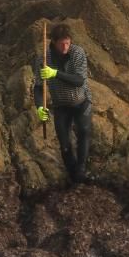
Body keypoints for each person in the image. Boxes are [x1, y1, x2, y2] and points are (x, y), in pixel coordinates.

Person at [33, 23, 92, 184]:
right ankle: (73, 174)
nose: (66, 46)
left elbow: (79, 81)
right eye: (62, 44)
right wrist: (39, 107)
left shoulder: (77, 53)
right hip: (61, 105)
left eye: (68, 42)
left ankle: (81, 169)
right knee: (64, 143)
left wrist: (55, 73)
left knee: (84, 131)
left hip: (81, 101)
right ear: (54, 42)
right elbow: (38, 88)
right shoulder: (43, 59)